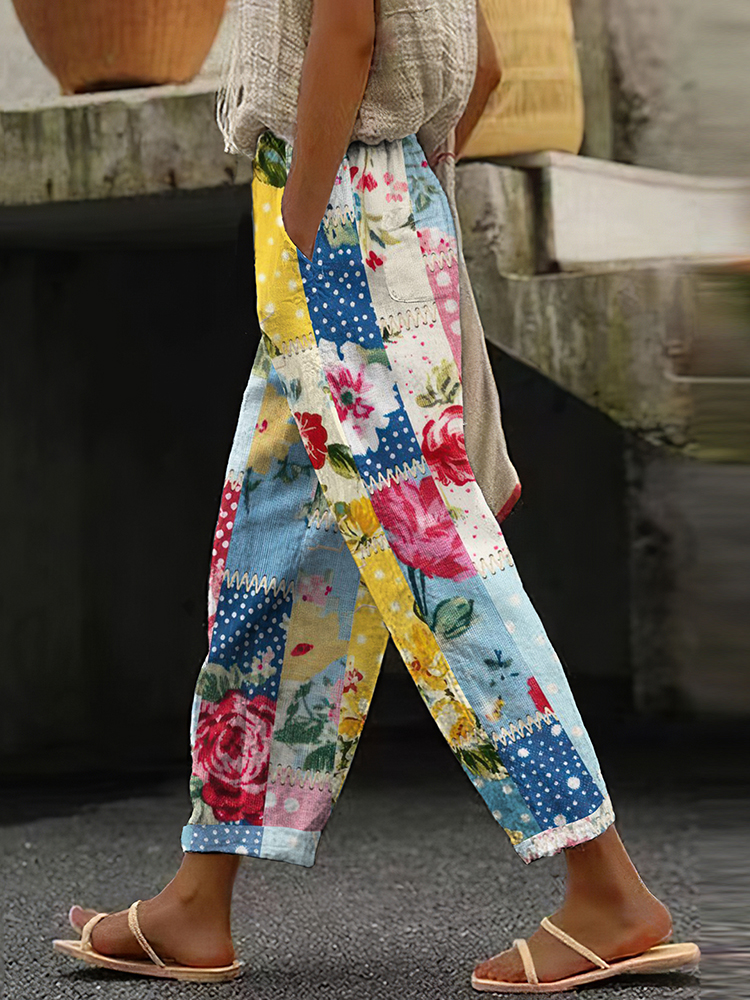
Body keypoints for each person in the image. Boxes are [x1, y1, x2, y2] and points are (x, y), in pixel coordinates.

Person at [52, 0, 699, 990]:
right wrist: (405, 191)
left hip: (337, 214)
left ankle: (607, 886)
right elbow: (482, 61)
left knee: (438, 561)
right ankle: (198, 897)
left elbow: (348, 28)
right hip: (380, 203)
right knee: (270, 557)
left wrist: (306, 214)